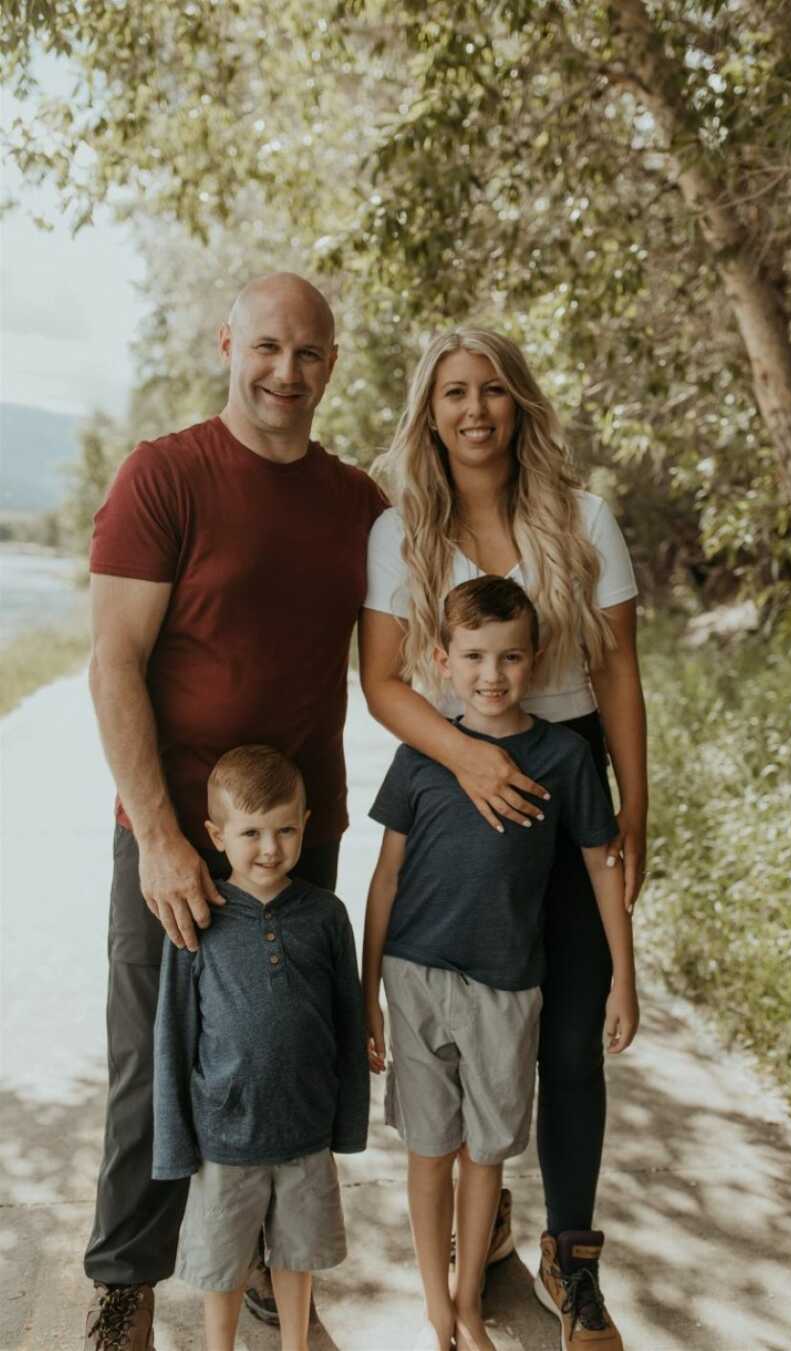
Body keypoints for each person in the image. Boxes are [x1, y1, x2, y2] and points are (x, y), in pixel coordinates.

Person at [83, 272, 385, 1351]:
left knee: (284, 1056)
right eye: (266, 347)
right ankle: (126, 1280)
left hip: (301, 834)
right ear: (226, 345)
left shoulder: (358, 504)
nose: (285, 373)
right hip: (174, 835)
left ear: (331, 365)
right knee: (155, 1060)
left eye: (307, 354)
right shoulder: (164, 476)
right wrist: (161, 836)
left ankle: (268, 1268)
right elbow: (113, 662)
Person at [359, 329, 648, 1350]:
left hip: (564, 764)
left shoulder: (583, 519)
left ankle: (575, 1261)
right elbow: (384, 680)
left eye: (491, 390)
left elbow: (616, 671)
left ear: (519, 402)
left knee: (568, 1035)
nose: (474, 408)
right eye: (452, 393)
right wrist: (469, 760)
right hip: (454, 756)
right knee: (460, 1003)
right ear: (428, 412)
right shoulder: (400, 535)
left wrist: (635, 804)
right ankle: (471, 1245)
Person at [153, 745, 368, 1351]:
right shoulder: (197, 920)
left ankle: (295, 1344)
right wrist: (174, 1145)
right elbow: (173, 1036)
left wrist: (347, 1125)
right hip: (225, 1136)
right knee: (220, 1266)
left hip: (305, 1131)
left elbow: (348, 1027)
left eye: (285, 830)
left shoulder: (327, 916)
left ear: (305, 826)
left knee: (296, 1260)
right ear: (217, 835)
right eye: (251, 833)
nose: (269, 848)